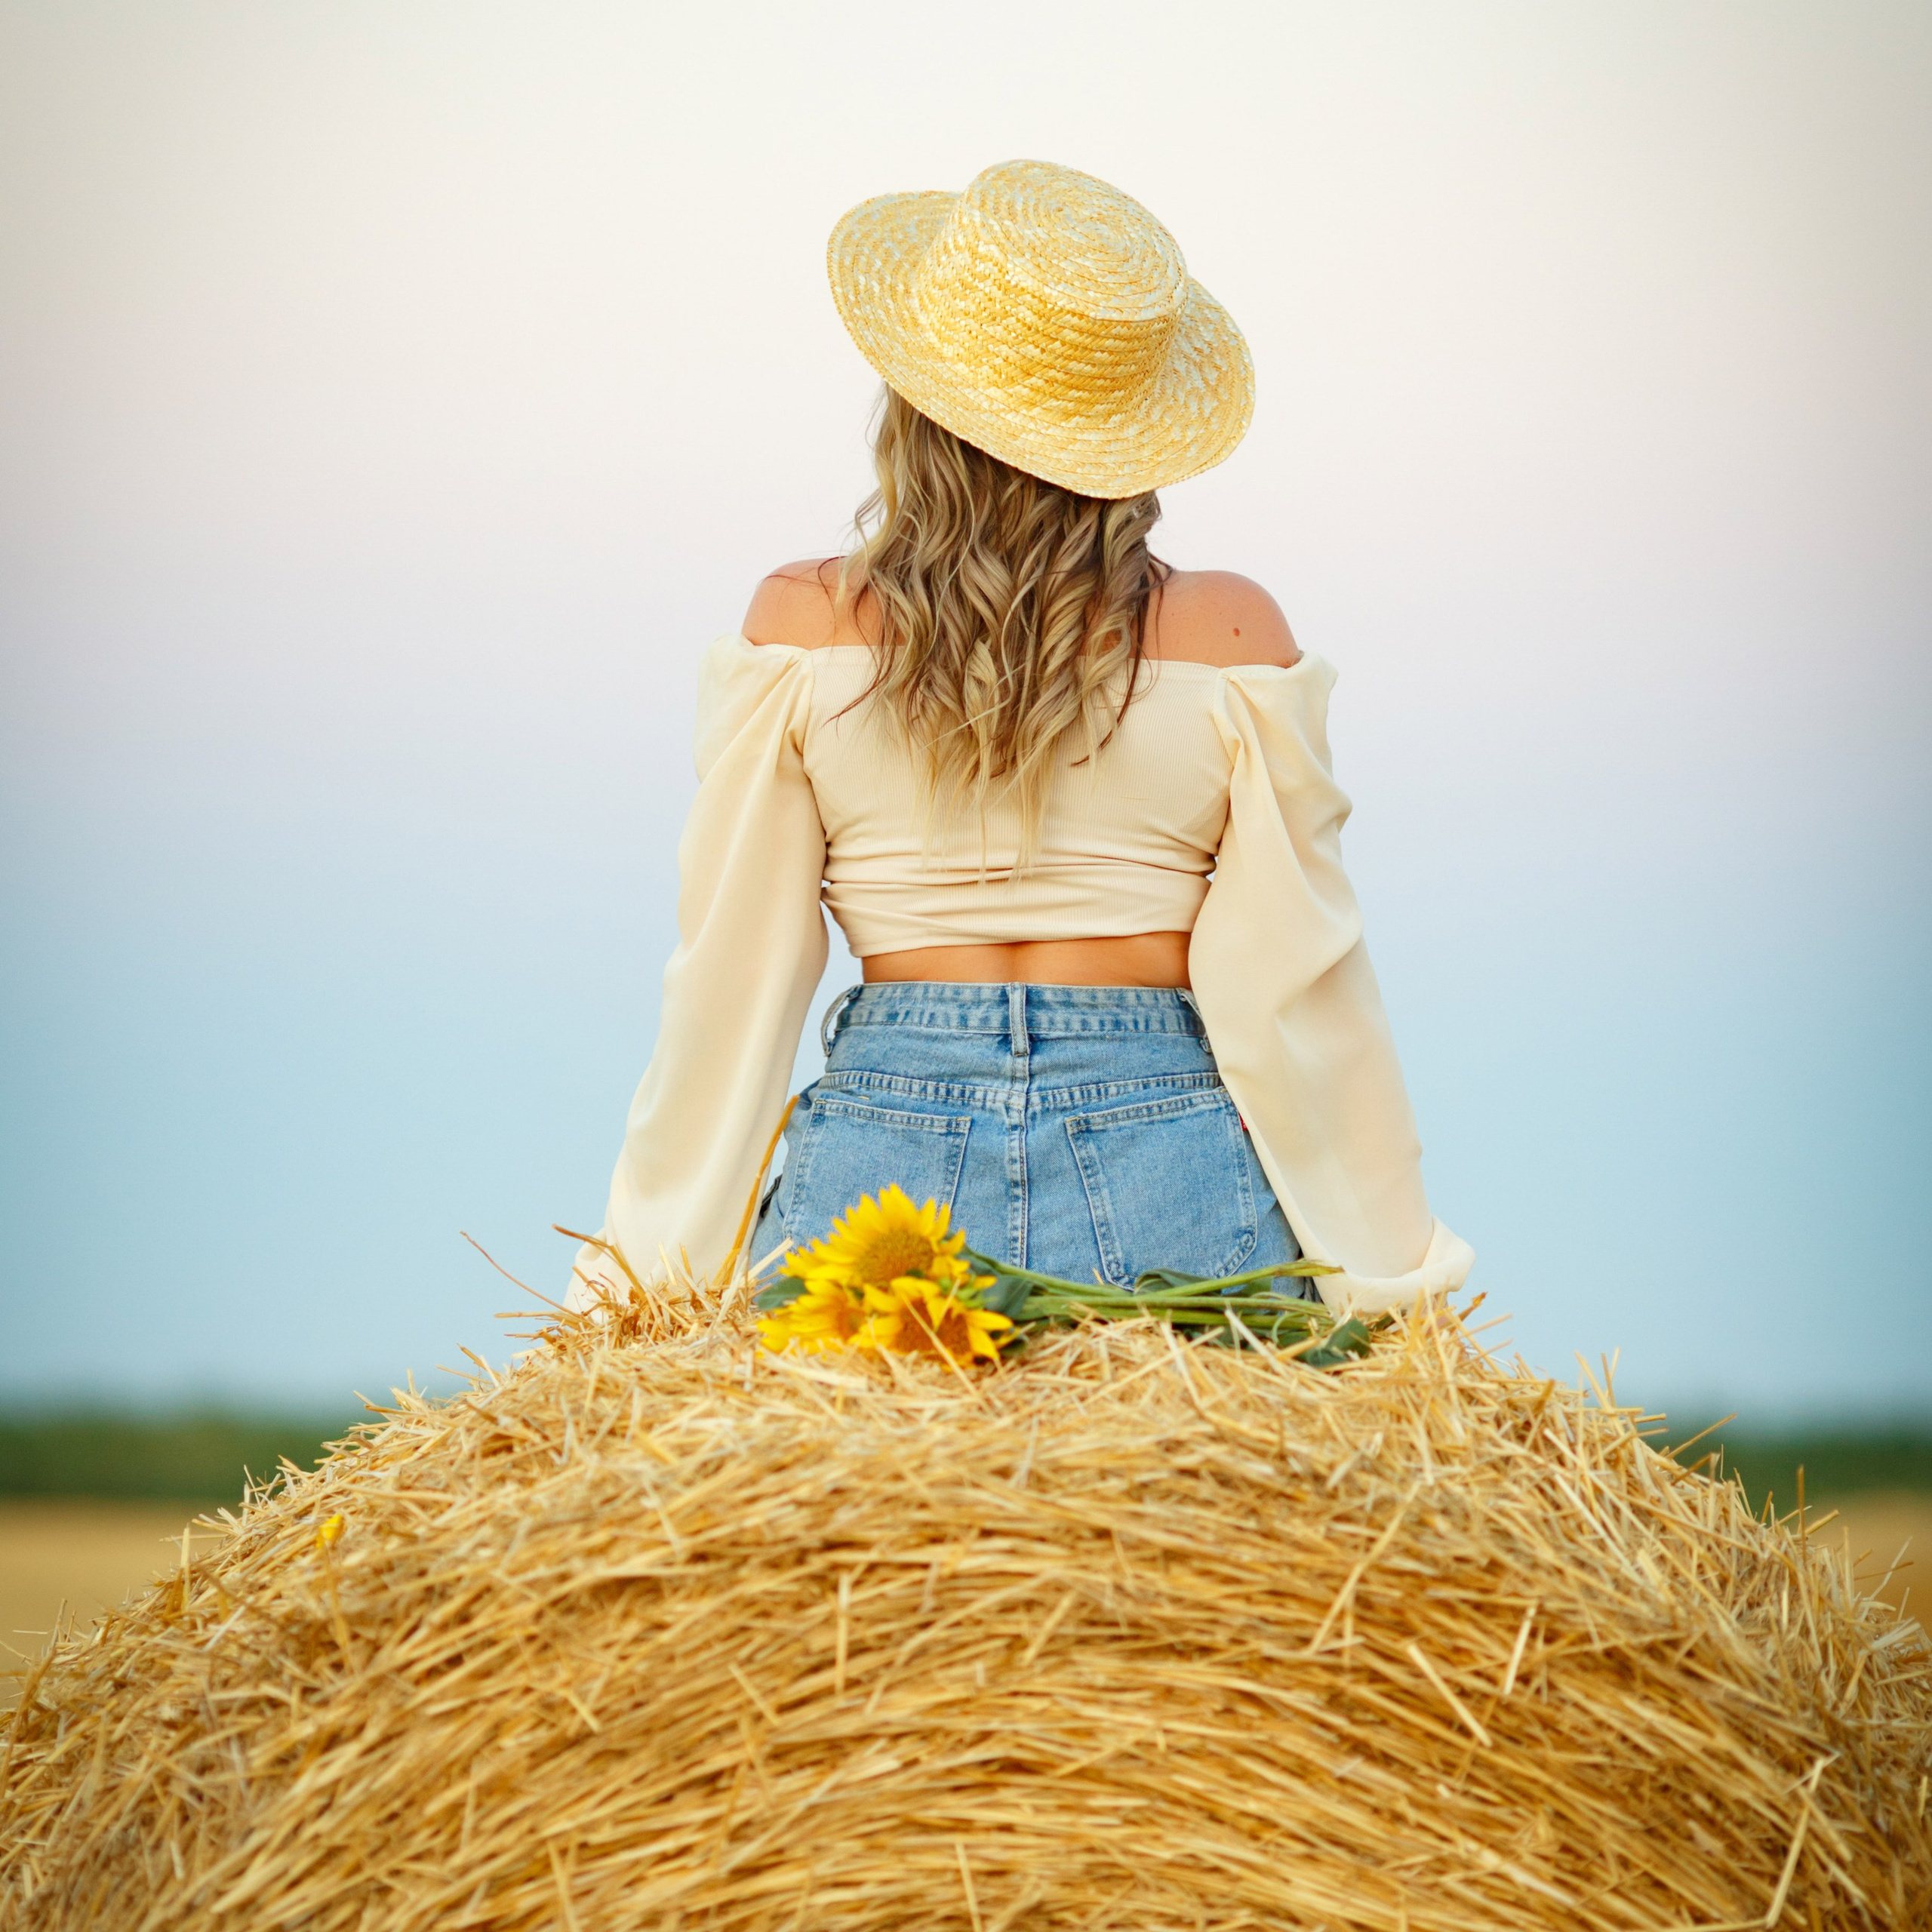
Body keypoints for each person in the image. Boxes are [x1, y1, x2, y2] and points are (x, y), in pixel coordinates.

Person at [571, 159, 1472, 1316]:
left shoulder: (804, 624)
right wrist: (1397, 1285)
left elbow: (732, 975)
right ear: (1138, 436)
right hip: (1170, 1140)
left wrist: (635, 1282)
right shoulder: (1231, 630)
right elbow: (1302, 984)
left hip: (881, 1147)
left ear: (917, 405)